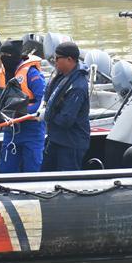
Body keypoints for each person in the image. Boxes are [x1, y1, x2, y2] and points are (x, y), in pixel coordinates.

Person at [41, 42, 90, 172]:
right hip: (55, 139)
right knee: (45, 174)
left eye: (57, 58)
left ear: (69, 59)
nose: (54, 61)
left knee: (66, 182)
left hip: (71, 143)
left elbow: (66, 119)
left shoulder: (77, 86)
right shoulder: (61, 77)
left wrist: (48, 115)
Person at [0, 40, 46, 173]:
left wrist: (21, 112)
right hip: (11, 129)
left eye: (7, 55)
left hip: (31, 129)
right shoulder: (3, 72)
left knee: (32, 167)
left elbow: (42, 100)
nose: (4, 58)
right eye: (2, 54)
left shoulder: (31, 73)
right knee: (6, 168)